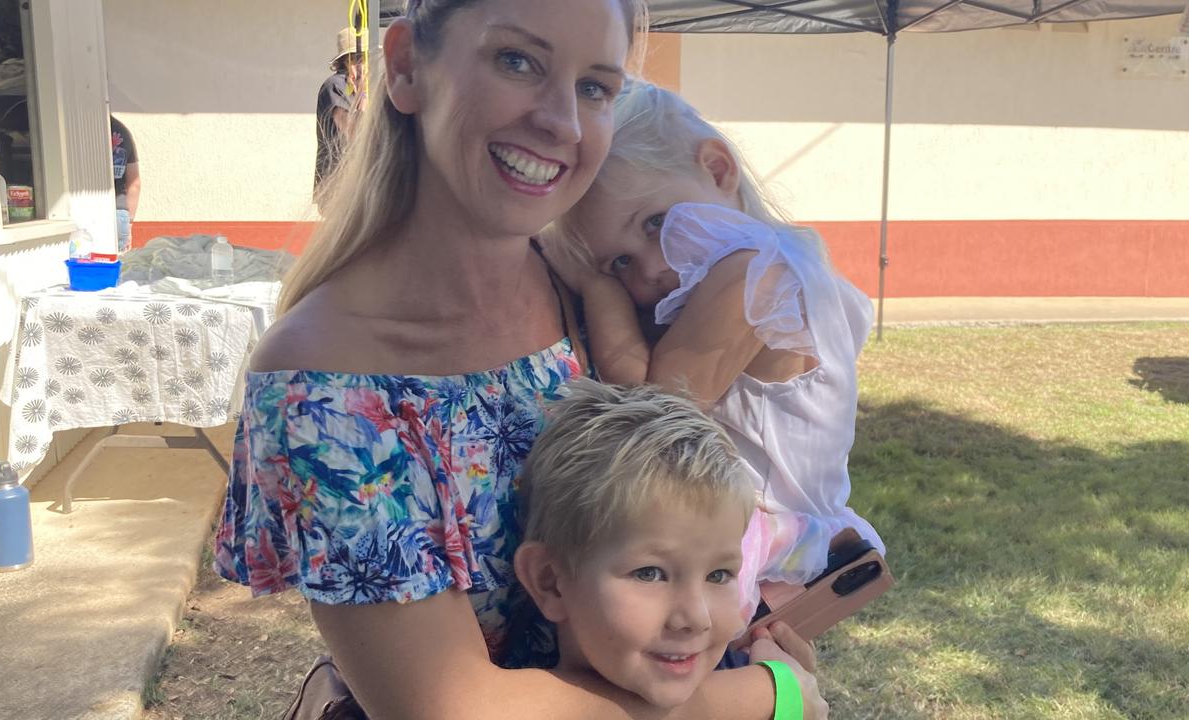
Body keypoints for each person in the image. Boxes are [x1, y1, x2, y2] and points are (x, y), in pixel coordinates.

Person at [213, 2, 826, 719]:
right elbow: (450, 708)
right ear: (407, 66)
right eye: (518, 61)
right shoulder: (323, 385)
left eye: (595, 86)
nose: (563, 123)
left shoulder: (594, 291)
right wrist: (767, 695)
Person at [543, 80, 885, 616]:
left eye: (655, 224)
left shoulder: (756, 275)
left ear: (718, 170)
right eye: (620, 262)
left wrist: (597, 286)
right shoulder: (773, 265)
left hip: (767, 535)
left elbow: (653, 409)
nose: (650, 269)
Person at [513, 380, 826, 717]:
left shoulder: (742, 680)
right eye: (650, 574)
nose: (696, 617)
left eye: (719, 575)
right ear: (550, 581)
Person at [314, 27, 365, 201]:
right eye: (364, 58)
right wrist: (363, 95)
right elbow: (352, 130)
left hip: (359, 181)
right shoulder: (335, 86)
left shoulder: (360, 88)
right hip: (338, 182)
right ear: (350, 61)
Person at [110, 115, 140, 253]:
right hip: (119, 211)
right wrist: (129, 223)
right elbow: (134, 183)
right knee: (118, 267)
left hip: (86, 210)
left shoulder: (78, 126)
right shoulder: (122, 131)